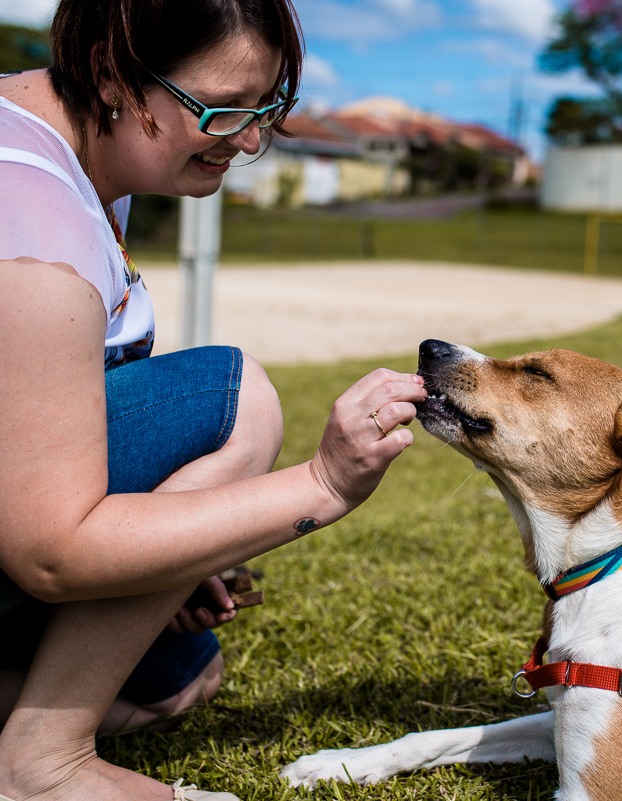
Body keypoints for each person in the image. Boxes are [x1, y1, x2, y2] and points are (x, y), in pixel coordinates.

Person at [0, 1, 427, 799]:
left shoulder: (85, 144)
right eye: (223, 108)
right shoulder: (31, 220)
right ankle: (38, 763)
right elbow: (51, 552)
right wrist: (321, 485)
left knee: (179, 680)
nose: (252, 138)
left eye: (266, 107)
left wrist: (175, 540)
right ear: (110, 74)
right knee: (234, 399)